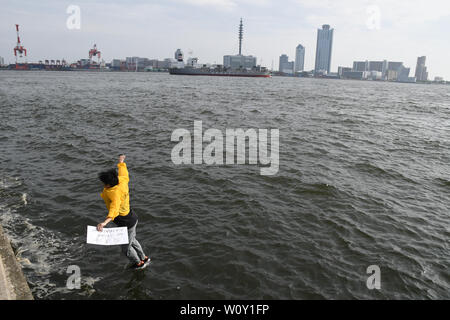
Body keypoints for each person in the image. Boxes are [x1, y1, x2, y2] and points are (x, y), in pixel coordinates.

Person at [97, 154, 150, 269]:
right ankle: (144, 257)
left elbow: (114, 208)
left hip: (126, 223)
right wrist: (121, 162)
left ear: (108, 184)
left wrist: (105, 223)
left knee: (126, 249)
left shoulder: (114, 193)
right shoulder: (122, 181)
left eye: (103, 183)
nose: (102, 185)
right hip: (132, 217)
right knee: (132, 240)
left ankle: (139, 263)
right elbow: (124, 172)